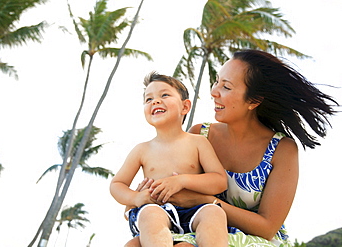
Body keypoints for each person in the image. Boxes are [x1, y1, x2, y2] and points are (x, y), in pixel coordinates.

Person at [125, 49, 338, 247]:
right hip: (197, 227)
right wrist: (141, 196)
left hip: (254, 239)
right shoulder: (200, 134)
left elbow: (267, 228)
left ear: (253, 101)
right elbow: (174, 185)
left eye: (226, 87)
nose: (213, 92)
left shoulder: (282, 149)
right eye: (216, 82)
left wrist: (207, 201)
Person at [110, 71, 228, 247]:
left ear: (185, 107)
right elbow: (116, 184)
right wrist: (136, 198)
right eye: (148, 99)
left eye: (164, 95)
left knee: (214, 213)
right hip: (156, 209)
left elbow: (219, 181)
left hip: (193, 210)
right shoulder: (142, 149)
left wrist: (182, 181)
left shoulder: (198, 142)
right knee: (151, 215)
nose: (155, 101)